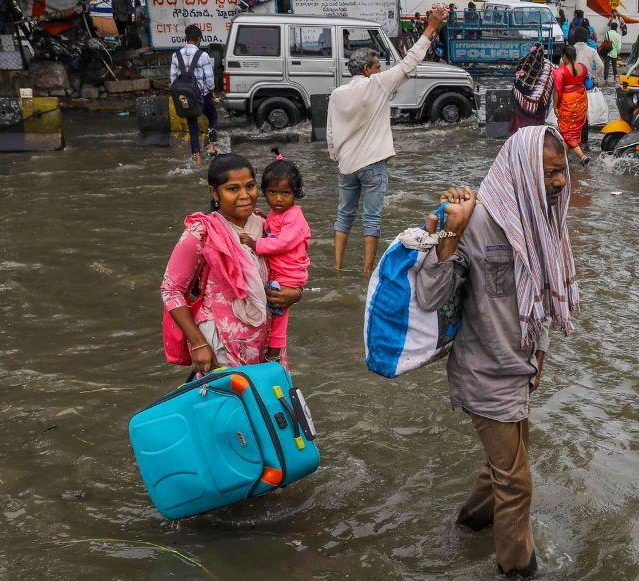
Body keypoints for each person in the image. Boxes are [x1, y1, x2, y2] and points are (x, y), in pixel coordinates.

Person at [414, 126, 578, 580]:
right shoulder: (475, 219)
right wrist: (450, 234)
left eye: (562, 170)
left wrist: (540, 349)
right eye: (551, 173)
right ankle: (518, 578)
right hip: (485, 372)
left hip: (520, 368)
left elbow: (541, 293)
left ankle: (468, 526)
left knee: (502, 465)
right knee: (516, 482)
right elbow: (429, 298)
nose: (561, 182)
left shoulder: (540, 217)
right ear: (524, 171)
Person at [329, 5, 447, 274]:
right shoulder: (378, 84)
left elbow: (331, 134)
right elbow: (410, 62)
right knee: (371, 220)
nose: (381, 69)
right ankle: (367, 272)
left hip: (346, 165)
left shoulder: (337, 94)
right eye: (378, 66)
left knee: (343, 216)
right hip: (372, 163)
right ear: (369, 69)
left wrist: (338, 158)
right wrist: (431, 28)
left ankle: (337, 268)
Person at [162, 154, 302, 373]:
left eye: (250, 186)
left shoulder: (269, 228)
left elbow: (291, 269)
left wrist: (296, 293)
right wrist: (198, 343)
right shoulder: (202, 232)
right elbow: (171, 290)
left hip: (267, 345)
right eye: (233, 189)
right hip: (221, 346)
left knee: (268, 403)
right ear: (214, 192)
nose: (245, 195)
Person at [253, 150, 311, 363]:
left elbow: (283, 241)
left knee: (279, 314)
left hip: (289, 274)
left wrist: (255, 244)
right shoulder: (278, 214)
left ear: (295, 194)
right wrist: (264, 219)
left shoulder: (295, 216)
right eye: (272, 192)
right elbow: (275, 228)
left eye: (285, 194)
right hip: (280, 270)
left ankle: (274, 353)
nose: (278, 199)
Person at [169, 26, 218, 163]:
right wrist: (211, 91)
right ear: (198, 40)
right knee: (213, 117)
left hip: (185, 98)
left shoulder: (175, 55)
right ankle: (211, 146)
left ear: (186, 38)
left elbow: (173, 80)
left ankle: (196, 156)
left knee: (192, 124)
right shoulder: (203, 56)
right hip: (202, 95)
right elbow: (209, 79)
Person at [552, 44, 591, 165]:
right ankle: (563, 158)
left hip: (568, 102)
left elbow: (557, 91)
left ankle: (582, 156)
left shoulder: (560, 71)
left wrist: (555, 106)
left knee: (567, 132)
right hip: (581, 100)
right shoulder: (583, 68)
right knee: (574, 130)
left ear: (564, 56)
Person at [510, 43, 553, 132]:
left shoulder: (523, 64)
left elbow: (515, 86)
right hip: (538, 113)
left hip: (522, 115)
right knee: (536, 135)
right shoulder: (547, 67)